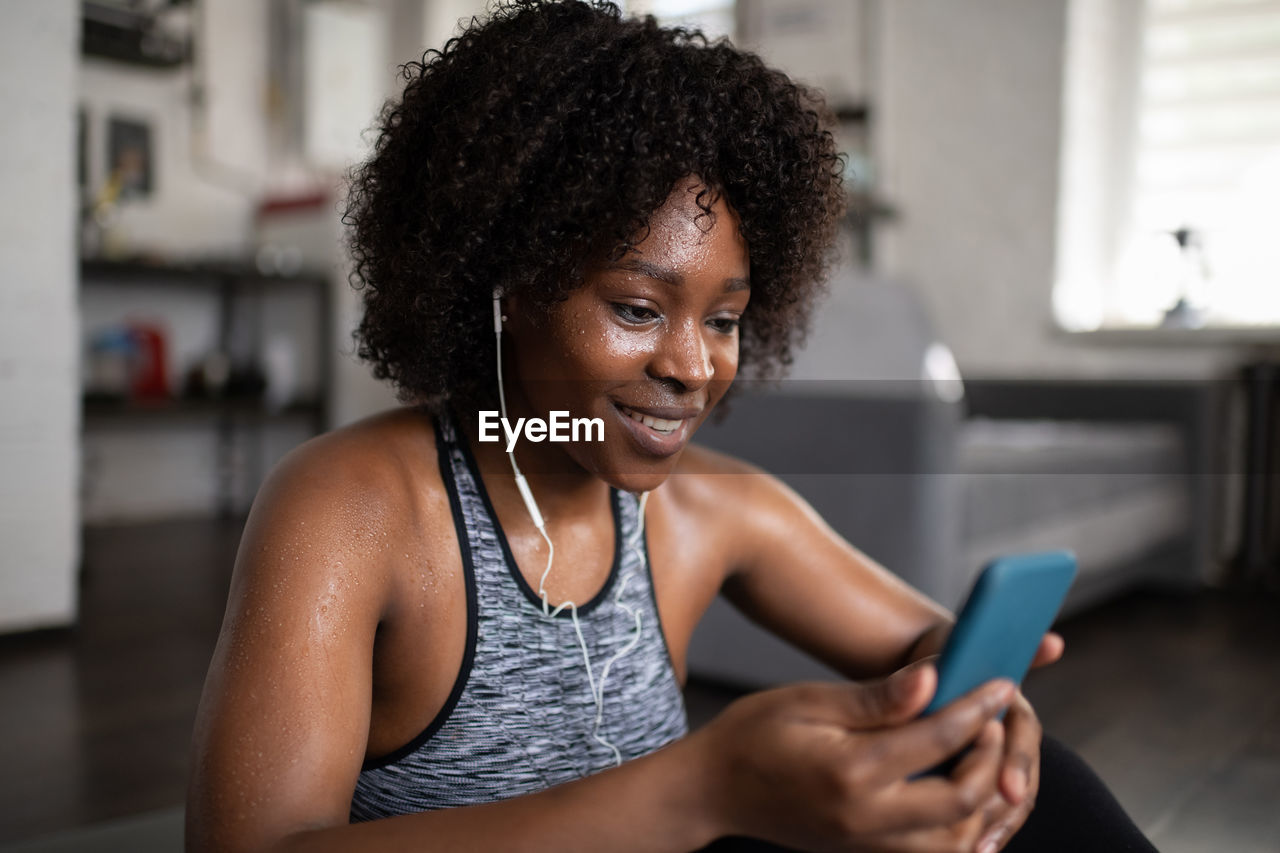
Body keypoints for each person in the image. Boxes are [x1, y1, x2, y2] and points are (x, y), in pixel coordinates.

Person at [185, 2, 1157, 851]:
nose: (693, 366)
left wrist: (982, 712)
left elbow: (924, 648)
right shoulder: (352, 506)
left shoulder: (709, 509)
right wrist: (700, 787)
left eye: (724, 320)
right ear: (506, 291)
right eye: (638, 309)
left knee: (1038, 788)